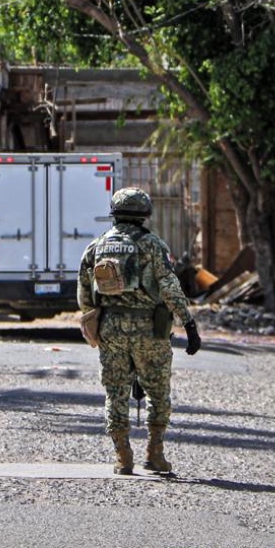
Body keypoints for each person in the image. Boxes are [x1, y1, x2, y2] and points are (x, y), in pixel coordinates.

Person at [78, 186, 201, 475]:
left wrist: (95, 324)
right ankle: (154, 453)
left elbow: (85, 295)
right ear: (145, 214)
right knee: (158, 392)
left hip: (111, 330)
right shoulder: (153, 245)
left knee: (115, 392)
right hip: (150, 331)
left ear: (114, 213)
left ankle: (123, 457)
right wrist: (189, 323)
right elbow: (169, 287)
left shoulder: (97, 247)